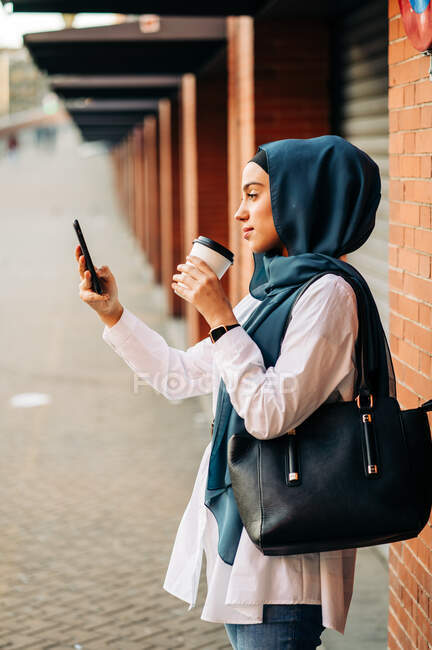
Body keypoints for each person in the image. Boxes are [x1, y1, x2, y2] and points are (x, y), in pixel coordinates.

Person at [76, 135, 393, 649]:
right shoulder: (271, 293)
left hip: (285, 559)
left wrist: (221, 317)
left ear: (299, 197)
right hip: (246, 534)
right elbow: (179, 376)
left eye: (253, 194)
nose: (239, 212)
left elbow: (270, 414)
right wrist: (113, 313)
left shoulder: (329, 294)